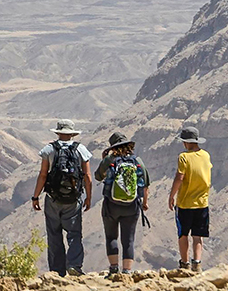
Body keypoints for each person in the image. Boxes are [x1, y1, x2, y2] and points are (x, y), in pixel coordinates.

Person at [32, 119, 92, 277]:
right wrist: (88, 197)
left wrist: (35, 196)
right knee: (74, 234)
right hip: (73, 200)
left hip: (53, 198)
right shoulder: (81, 150)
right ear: (72, 134)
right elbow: (87, 176)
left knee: (54, 234)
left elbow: (43, 175)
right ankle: (74, 266)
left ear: (58, 133)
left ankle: (57, 271)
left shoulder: (49, 150)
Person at [95, 132, 149, 275]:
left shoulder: (110, 159)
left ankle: (113, 269)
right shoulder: (137, 161)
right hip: (132, 206)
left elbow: (98, 176)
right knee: (128, 239)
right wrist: (145, 203)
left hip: (111, 206)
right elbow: (145, 183)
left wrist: (104, 159)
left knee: (111, 237)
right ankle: (126, 271)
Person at [168, 127, 212, 273]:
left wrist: (171, 195)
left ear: (186, 142)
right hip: (202, 202)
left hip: (185, 203)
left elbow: (179, 177)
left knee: (183, 234)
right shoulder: (206, 155)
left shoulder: (183, 157)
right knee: (198, 236)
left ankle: (185, 264)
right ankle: (197, 264)